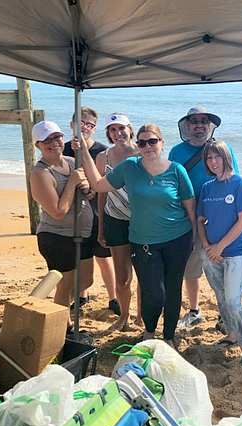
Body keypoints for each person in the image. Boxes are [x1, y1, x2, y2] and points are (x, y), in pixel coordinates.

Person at [78, 123, 196, 346]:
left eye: (153, 141)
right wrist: (84, 151)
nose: (148, 146)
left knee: (173, 289)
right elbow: (98, 185)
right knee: (154, 292)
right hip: (143, 241)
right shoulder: (130, 167)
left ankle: (169, 337)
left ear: (161, 142)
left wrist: (196, 239)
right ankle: (150, 333)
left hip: (178, 238)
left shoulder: (176, 170)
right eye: (142, 143)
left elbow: (190, 207)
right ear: (138, 145)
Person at [169, 107, 239, 331]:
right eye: (194, 121)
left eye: (203, 121)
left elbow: (234, 181)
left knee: (223, 267)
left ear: (210, 125)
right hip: (188, 220)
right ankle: (194, 311)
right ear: (187, 126)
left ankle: (224, 314)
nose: (199, 125)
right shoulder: (177, 151)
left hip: (219, 219)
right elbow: (170, 184)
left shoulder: (223, 149)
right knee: (191, 268)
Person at [196, 141, 242, 369]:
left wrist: (220, 247)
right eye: (209, 158)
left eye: (217, 157)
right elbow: (200, 220)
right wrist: (206, 246)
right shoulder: (207, 187)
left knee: (234, 302)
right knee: (221, 298)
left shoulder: (241, 185)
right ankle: (231, 335)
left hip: (234, 253)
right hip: (210, 254)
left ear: (226, 158)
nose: (213, 162)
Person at [29, 121, 94, 335]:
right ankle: (64, 329)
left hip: (82, 233)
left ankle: (61, 316)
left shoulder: (72, 162)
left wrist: (85, 187)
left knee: (85, 281)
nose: (54, 143)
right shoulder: (40, 174)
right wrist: (73, 183)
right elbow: (58, 211)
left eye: (56, 137)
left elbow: (90, 195)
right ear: (38, 145)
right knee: (66, 285)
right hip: (56, 237)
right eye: (46, 139)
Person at [62, 107, 119, 318]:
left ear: (94, 129)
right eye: (81, 123)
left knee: (104, 258)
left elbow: (106, 185)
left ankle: (113, 298)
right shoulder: (63, 148)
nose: (85, 128)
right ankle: (82, 295)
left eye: (89, 125)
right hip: (71, 216)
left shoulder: (103, 152)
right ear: (72, 125)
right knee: (78, 258)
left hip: (97, 214)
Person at [94, 113, 142, 331]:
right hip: (115, 220)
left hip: (143, 220)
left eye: (121, 128)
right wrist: (101, 226)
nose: (118, 133)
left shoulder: (143, 152)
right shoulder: (102, 157)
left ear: (130, 129)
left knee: (144, 275)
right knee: (122, 279)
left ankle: (141, 316)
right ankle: (124, 316)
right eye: (112, 130)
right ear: (108, 134)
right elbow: (101, 193)